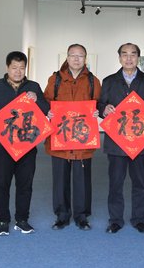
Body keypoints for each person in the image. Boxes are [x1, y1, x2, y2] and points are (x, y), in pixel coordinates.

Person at [0, 51, 49, 236]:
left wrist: (37, 99)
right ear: (7, 68)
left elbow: (46, 111)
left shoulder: (33, 87)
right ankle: (2, 220)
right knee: (1, 183)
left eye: (22, 68)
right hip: (2, 146)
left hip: (27, 145)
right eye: (14, 68)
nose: (18, 72)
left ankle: (22, 219)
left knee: (25, 184)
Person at [98, 43, 144, 234]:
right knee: (115, 183)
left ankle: (139, 219)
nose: (129, 58)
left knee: (140, 182)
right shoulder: (109, 81)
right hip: (116, 141)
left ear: (138, 58)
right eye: (124, 54)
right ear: (119, 58)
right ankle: (115, 220)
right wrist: (104, 109)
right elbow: (100, 104)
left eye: (133, 54)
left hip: (140, 141)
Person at [44, 43, 102, 231]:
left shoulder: (93, 81)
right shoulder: (55, 79)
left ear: (85, 59)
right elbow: (46, 101)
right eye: (73, 55)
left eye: (80, 56)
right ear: (67, 57)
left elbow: (99, 103)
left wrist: (97, 112)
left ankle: (81, 216)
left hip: (82, 139)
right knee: (60, 179)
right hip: (60, 137)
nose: (76, 59)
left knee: (82, 179)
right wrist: (48, 111)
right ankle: (62, 215)